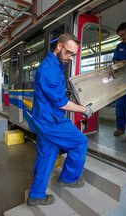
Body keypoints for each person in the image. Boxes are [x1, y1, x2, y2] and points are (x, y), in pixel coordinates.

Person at [26, 33, 93, 206]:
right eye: (69, 53)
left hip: (45, 119)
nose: (70, 58)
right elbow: (61, 103)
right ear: (59, 46)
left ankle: (36, 195)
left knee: (47, 155)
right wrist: (84, 109)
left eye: (73, 55)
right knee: (80, 143)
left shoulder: (56, 65)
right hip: (50, 121)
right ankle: (68, 178)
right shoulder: (49, 69)